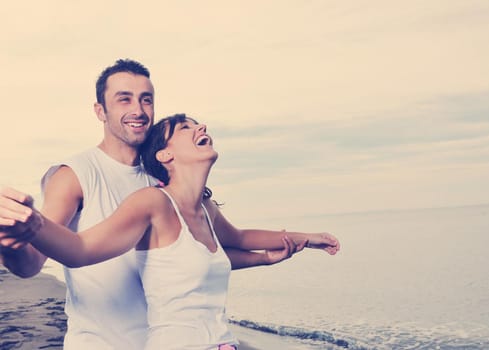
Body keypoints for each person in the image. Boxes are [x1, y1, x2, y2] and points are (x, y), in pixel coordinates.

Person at [0, 59, 340, 349]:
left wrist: (282, 249)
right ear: (99, 111)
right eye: (124, 99)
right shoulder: (75, 174)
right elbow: (33, 263)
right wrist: (20, 230)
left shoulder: (166, 182)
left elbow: (197, 258)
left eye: (146, 100)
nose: (138, 110)